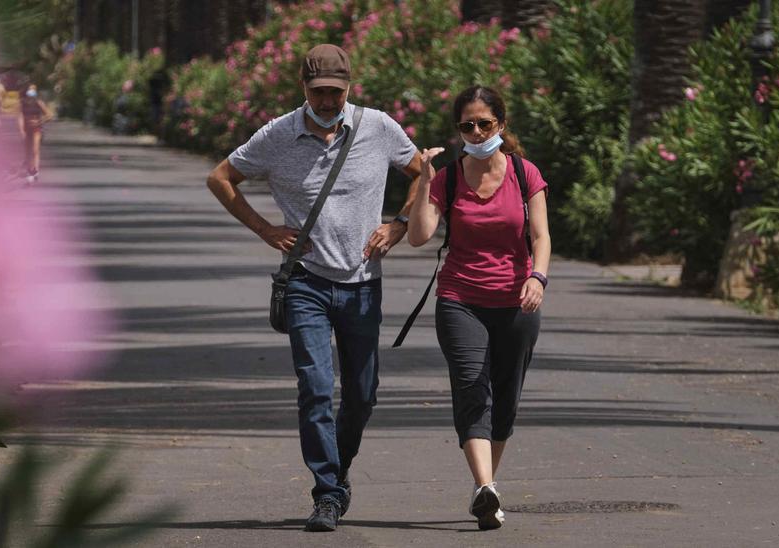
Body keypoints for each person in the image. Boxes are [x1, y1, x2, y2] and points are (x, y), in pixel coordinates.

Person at [205, 44, 424, 533]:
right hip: (305, 283)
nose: (327, 101)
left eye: (335, 92)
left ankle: (338, 470)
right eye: (318, 92)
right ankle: (326, 493)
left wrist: (399, 224)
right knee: (317, 389)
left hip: (363, 284)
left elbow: (421, 175)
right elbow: (221, 178)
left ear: (350, 87)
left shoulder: (378, 127)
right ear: (302, 88)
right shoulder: (279, 134)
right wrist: (265, 230)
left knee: (363, 395)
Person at [406, 85, 550, 531]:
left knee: (505, 397)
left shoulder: (525, 174)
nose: (475, 131)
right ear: (458, 131)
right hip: (460, 298)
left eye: (484, 123)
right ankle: (485, 485)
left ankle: (485, 488)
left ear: (500, 126)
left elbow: (541, 237)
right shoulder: (446, 178)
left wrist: (537, 277)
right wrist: (424, 178)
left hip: (516, 301)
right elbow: (418, 236)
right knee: (472, 385)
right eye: (466, 125)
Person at [17, 83, 53, 185]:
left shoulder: (38, 102)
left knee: (35, 150)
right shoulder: (22, 103)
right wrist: (21, 130)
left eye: (34, 89)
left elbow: (49, 115)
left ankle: (35, 170)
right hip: (26, 128)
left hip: (36, 128)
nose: (32, 91)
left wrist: (39, 121)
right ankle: (30, 170)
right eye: (30, 89)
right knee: (28, 151)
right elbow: (20, 117)